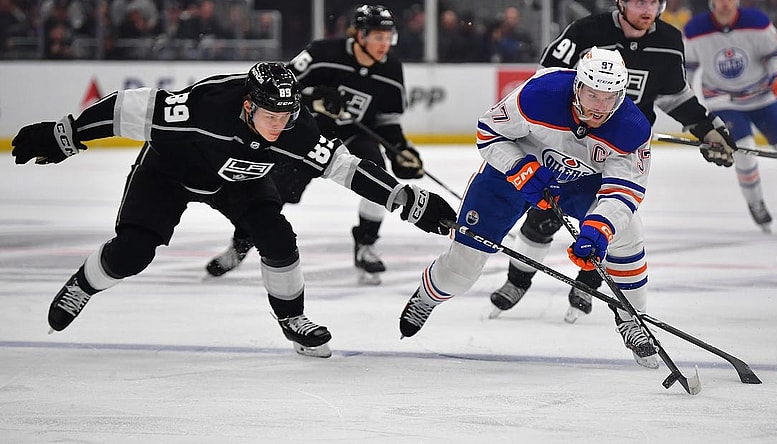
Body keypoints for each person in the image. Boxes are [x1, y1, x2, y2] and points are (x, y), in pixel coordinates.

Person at [10, 62, 456, 359]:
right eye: (271, 117)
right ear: (247, 106)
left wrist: (407, 200)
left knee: (278, 237)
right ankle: (84, 284)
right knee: (132, 253)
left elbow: (345, 167)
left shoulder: (295, 125)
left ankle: (292, 320)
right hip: (168, 172)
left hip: (238, 181)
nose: (281, 127)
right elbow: (128, 108)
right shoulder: (204, 108)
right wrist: (65, 135)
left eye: (288, 116)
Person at [399, 48, 661, 368]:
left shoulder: (632, 127)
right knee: (462, 269)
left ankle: (633, 319)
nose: (600, 107)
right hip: (512, 176)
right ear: (578, 86)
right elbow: (489, 133)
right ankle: (428, 296)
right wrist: (518, 167)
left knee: (627, 231)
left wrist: (599, 228)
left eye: (609, 97)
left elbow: (624, 191)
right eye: (593, 94)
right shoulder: (540, 93)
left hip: (580, 184)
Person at [487, 0, 738, 324]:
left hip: (620, 150)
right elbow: (547, 78)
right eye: (638, 1)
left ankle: (588, 285)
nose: (647, 8)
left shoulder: (669, 40)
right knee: (543, 214)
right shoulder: (586, 31)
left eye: (654, 1)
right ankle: (517, 280)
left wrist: (706, 128)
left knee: (608, 224)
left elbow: (674, 95)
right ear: (620, 2)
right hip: (572, 143)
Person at [205, 4, 426, 286]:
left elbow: (387, 120)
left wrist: (401, 148)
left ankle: (366, 246)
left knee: (378, 177)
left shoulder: (392, 68)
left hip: (356, 135)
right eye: (377, 37)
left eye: (388, 37)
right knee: (272, 193)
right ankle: (240, 244)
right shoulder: (322, 53)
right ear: (359, 34)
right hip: (309, 135)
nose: (384, 44)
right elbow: (279, 88)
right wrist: (312, 97)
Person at [684, 0, 777, 233]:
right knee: (744, 153)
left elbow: (776, 52)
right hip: (723, 102)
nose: (724, 3)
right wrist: (686, 100)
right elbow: (687, 67)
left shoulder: (757, 22)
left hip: (763, 99)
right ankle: (755, 203)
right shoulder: (693, 30)